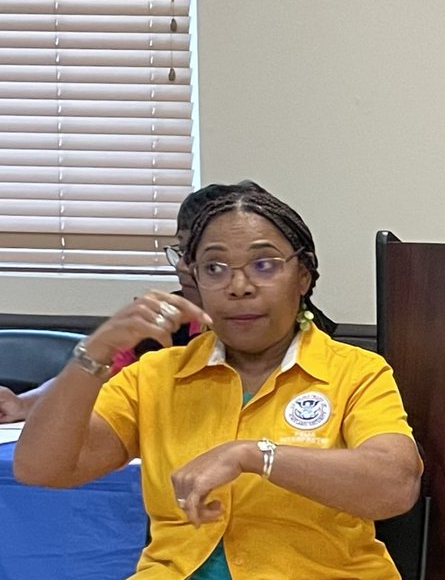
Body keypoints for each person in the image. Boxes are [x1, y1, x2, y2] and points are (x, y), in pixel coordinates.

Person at [14, 184, 422, 580]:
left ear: (304, 275)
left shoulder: (354, 373)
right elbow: (43, 466)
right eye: (215, 268)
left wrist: (255, 455)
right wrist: (96, 351)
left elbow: (395, 482)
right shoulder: (158, 377)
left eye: (264, 263)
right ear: (191, 282)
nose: (239, 286)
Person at [0, 181, 276, 423]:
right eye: (181, 249)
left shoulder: (283, 331)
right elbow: (100, 379)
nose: (182, 265)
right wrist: (23, 404)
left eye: (200, 252)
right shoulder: (161, 321)